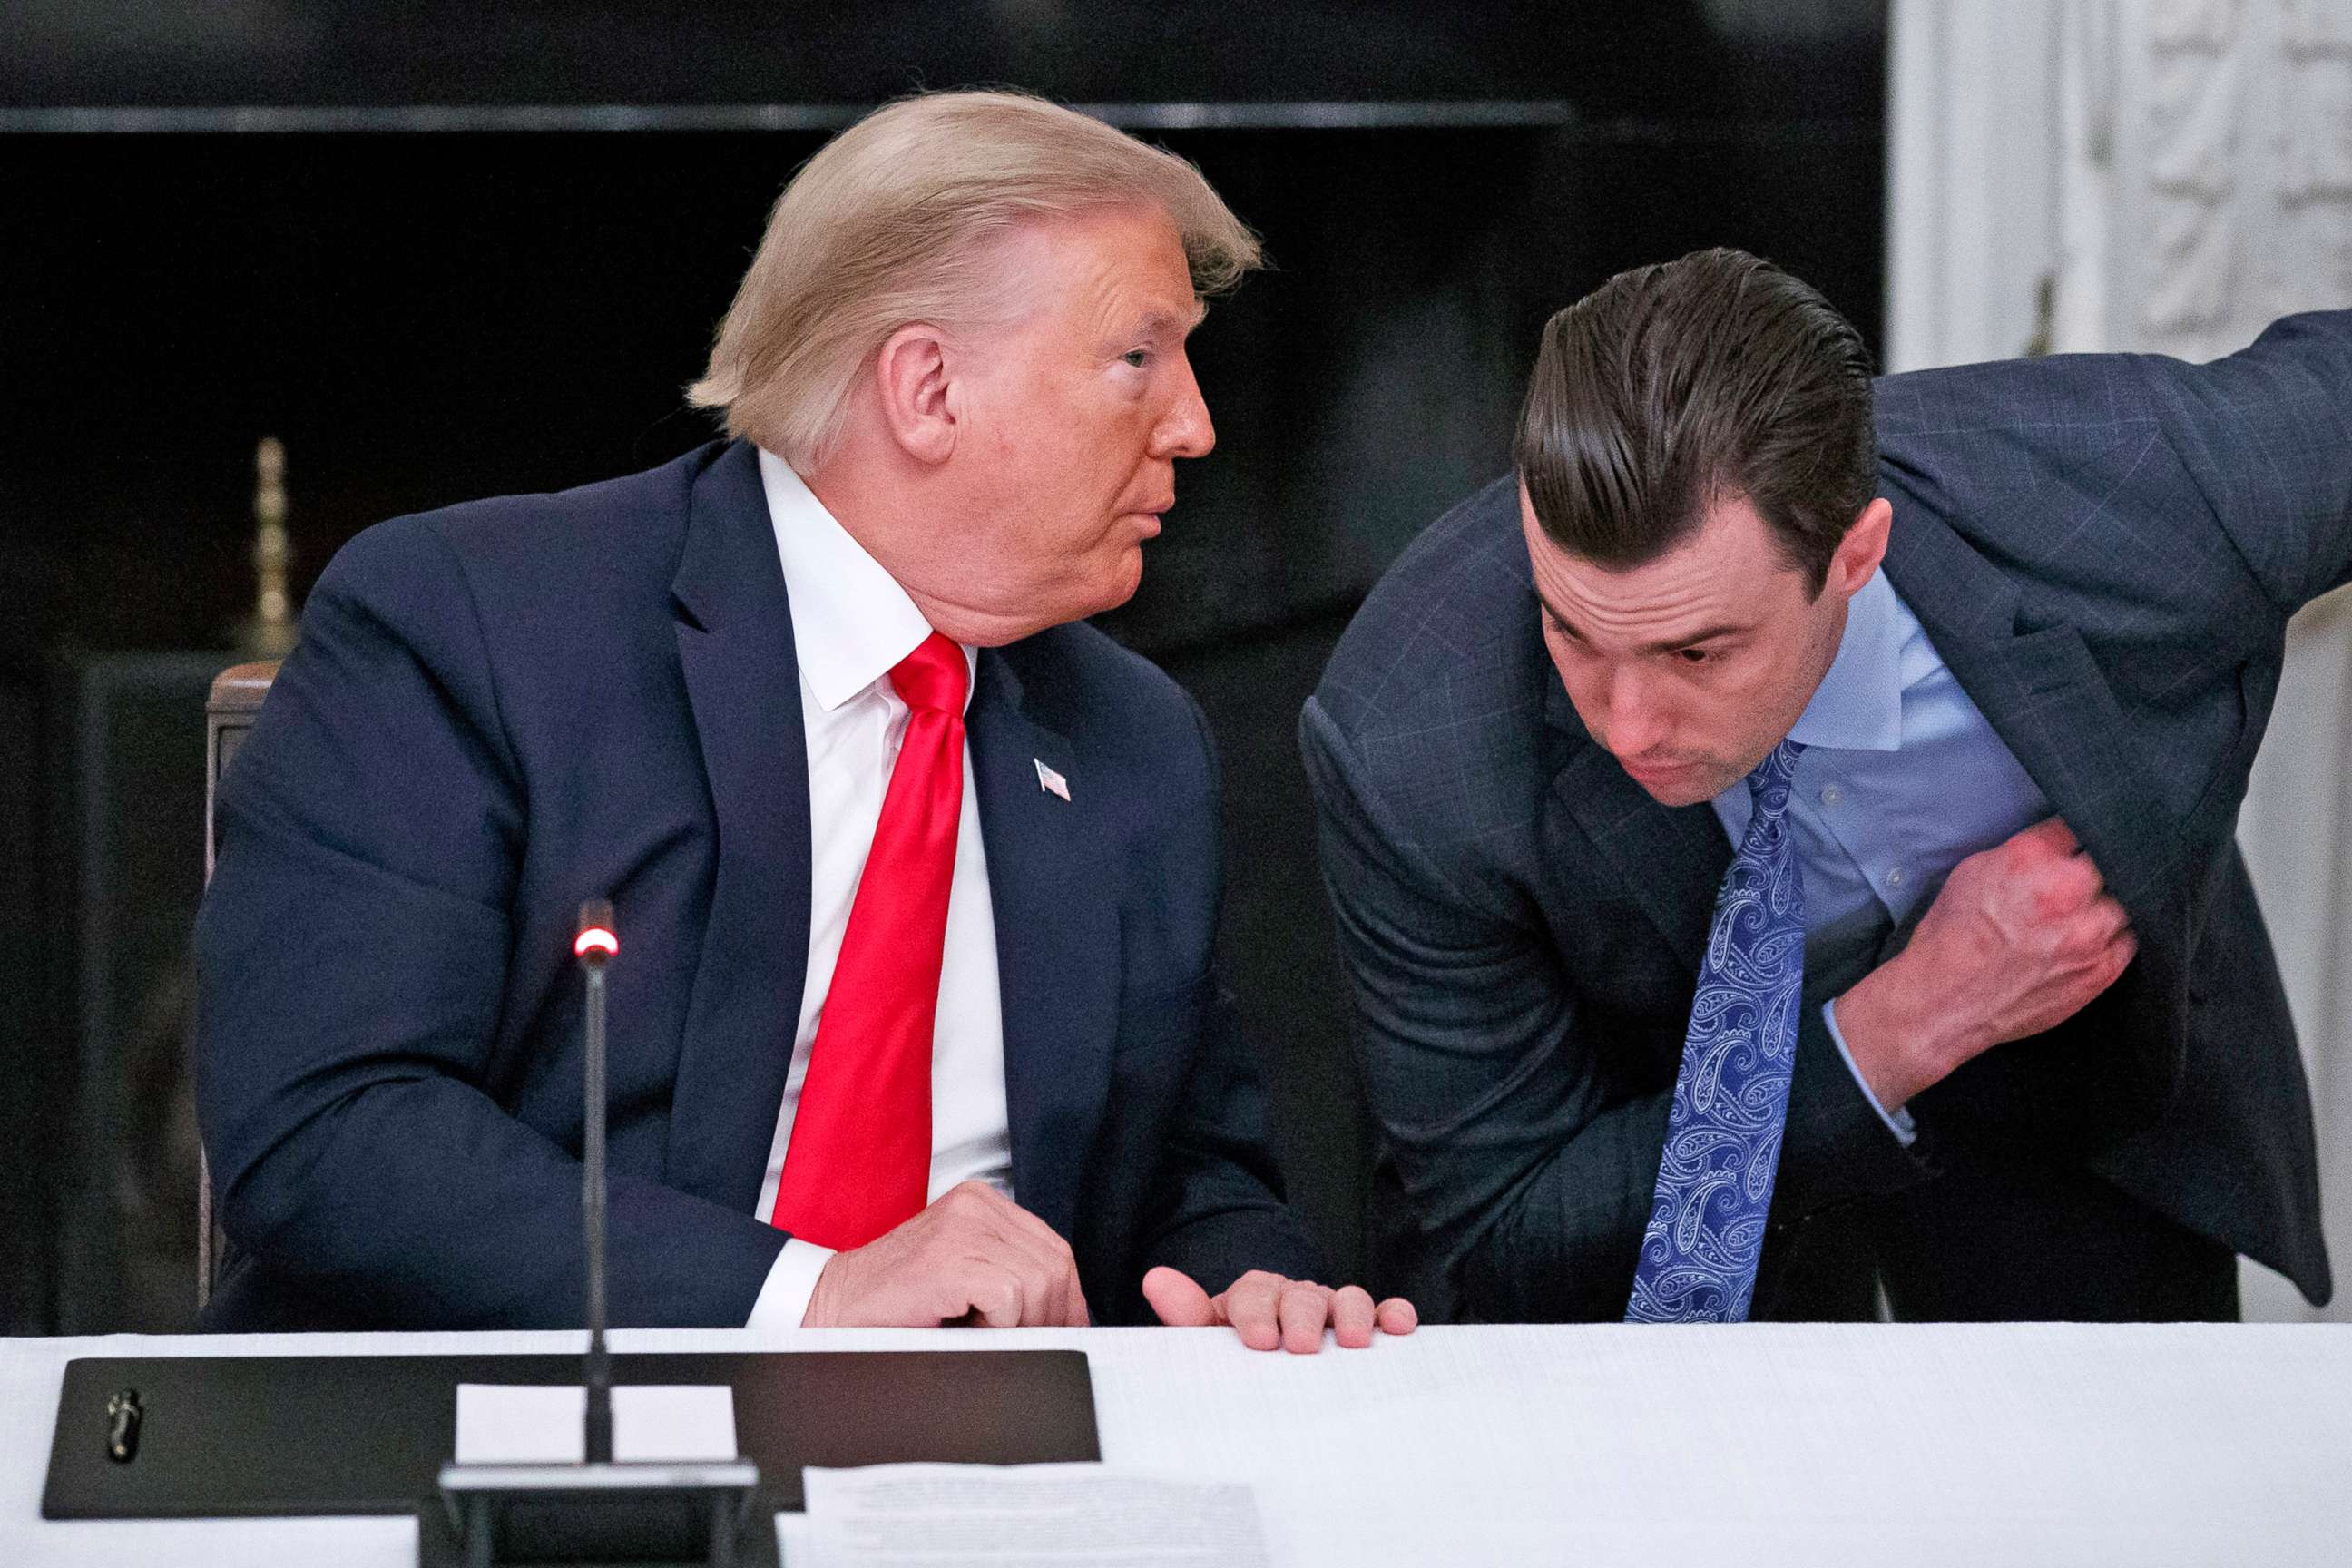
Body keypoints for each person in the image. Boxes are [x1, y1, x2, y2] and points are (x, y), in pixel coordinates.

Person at [197, 90, 1414, 1352]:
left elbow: (1184, 1170)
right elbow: (328, 1124)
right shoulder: (475, 625)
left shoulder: (1134, 738)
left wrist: (1245, 1276)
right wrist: (805, 1297)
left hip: (984, 1478)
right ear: (928, 390)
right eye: (1139, 359)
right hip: (531, 1439)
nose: (1197, 423)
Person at [1304, 247, 2345, 1323]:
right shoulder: (1409, 737)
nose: (1626, 726)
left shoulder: (2138, 485)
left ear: (1856, 553)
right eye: (1572, 632)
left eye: (1697, 653)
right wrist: (1896, 1029)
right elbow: (1510, 1229)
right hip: (1651, 1176)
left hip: (2071, 1100)